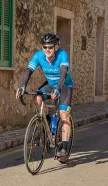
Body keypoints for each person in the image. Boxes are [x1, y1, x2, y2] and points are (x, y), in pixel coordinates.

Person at [16, 32, 73, 161]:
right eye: (45, 47)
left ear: (56, 47)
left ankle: (64, 148)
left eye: (50, 47)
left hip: (64, 86)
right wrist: (23, 86)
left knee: (64, 115)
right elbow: (28, 71)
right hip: (50, 84)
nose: (47, 50)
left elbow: (63, 72)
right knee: (38, 97)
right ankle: (47, 121)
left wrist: (58, 89)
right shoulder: (38, 56)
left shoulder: (62, 55)